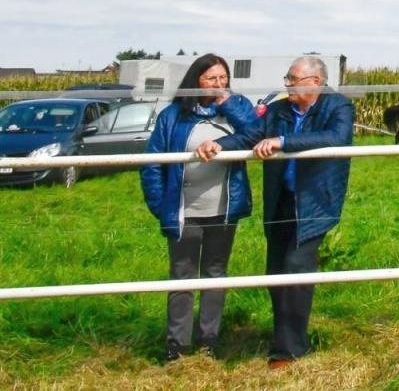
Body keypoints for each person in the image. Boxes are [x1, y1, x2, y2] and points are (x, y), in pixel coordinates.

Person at [202, 55, 353, 370]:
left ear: (315, 82)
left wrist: (282, 141)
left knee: (296, 268)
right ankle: (288, 335)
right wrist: (218, 145)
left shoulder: (337, 106)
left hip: (314, 201)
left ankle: (288, 351)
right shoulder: (279, 109)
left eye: (292, 78)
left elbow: (335, 138)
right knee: (275, 272)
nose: (287, 84)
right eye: (287, 78)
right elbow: (249, 135)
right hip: (280, 200)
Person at [140, 53, 257, 361]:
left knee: (215, 273)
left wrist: (226, 102)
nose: (219, 84)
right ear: (196, 81)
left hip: (223, 208)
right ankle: (176, 345)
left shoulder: (236, 107)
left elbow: (254, 133)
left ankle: (209, 340)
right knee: (182, 275)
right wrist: (160, 205)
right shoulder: (172, 116)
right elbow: (152, 165)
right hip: (184, 211)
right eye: (211, 79)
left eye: (223, 79)